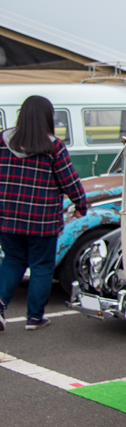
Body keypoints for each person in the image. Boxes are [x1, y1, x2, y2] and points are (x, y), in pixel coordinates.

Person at [0, 96, 87, 332]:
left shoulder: (2, 141)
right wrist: (80, 204)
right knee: (41, 266)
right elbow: (69, 180)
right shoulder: (53, 147)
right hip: (42, 219)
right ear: (48, 117)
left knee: (12, 260)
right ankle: (34, 318)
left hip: (7, 216)